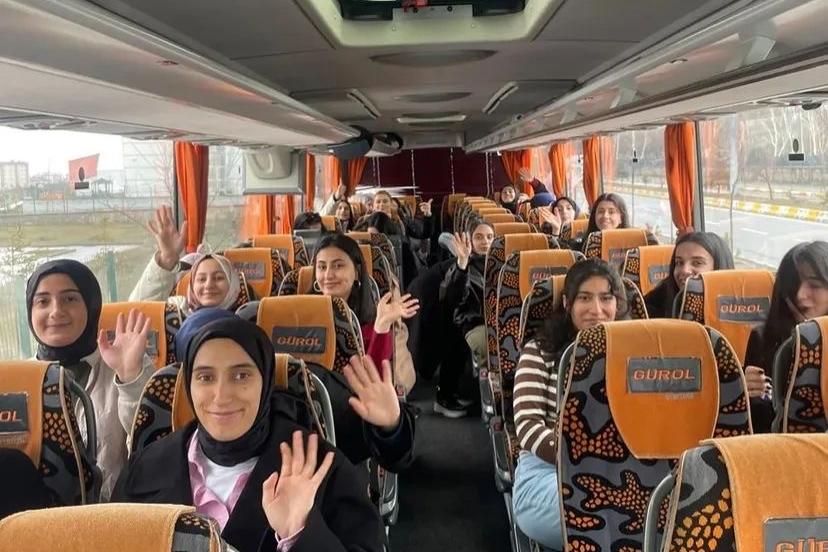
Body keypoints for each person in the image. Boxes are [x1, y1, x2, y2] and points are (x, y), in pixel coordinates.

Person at [112, 317, 384, 552]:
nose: (221, 396)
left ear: (265, 382)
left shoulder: (318, 467)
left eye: (241, 376)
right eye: (205, 377)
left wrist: (299, 533)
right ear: (189, 387)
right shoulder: (146, 466)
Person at [512, 258, 628, 550]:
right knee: (613, 513)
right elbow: (527, 425)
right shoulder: (540, 351)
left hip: (623, 476)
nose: (596, 310)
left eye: (606, 298)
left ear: (617, 304)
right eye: (584, 298)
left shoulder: (635, 357)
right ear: (567, 303)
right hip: (548, 472)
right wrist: (585, 461)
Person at [26, 259, 154, 499]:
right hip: (34, 517)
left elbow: (150, 443)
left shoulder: (124, 364)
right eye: (43, 301)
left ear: (91, 305)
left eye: (69, 299)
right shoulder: (17, 381)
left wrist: (130, 378)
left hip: (112, 512)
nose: (56, 311)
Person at [311, 233, 417, 470]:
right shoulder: (293, 315)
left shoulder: (371, 320)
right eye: (322, 267)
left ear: (357, 272)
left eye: (338, 266)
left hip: (353, 420)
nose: (328, 275)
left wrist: (382, 326)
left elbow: (374, 383)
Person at [744, 241, 828, 433]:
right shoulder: (763, 339)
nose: (800, 295)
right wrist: (745, 396)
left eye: (814, 285)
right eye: (792, 285)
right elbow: (760, 430)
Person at [130, 206, 246, 316]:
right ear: (192, 286)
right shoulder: (178, 312)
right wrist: (166, 259)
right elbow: (137, 312)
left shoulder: (249, 315)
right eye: (201, 279)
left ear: (233, 285)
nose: (209, 285)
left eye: (219, 278)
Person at [437, 219, 494, 417]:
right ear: (470, 240)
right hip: (472, 322)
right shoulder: (462, 266)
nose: (485, 242)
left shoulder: (505, 265)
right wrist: (462, 263)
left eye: (490, 237)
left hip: (503, 323)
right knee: (489, 343)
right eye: (479, 237)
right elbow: (451, 297)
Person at [644, 232, 735, 318]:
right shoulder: (652, 307)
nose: (684, 270)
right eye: (679, 262)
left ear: (718, 268)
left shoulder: (739, 310)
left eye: (697, 263)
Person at [564, 192, 657, 251]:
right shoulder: (579, 246)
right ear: (594, 216)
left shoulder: (635, 247)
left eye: (611, 212)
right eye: (601, 211)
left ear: (621, 218)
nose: (605, 216)